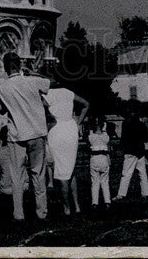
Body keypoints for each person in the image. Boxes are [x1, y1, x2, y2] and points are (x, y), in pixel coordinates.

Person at [0, 51, 50, 223]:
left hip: (16, 134)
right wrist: (31, 72)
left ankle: (18, 213)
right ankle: (42, 212)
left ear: (5, 67)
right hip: (36, 132)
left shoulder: (3, 87)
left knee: (16, 175)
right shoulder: (32, 81)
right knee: (38, 173)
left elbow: (2, 109)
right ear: (20, 64)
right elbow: (51, 83)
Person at [43, 80, 88, 215]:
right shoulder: (68, 92)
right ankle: (77, 205)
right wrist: (78, 122)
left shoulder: (46, 94)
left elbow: (42, 110)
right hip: (71, 128)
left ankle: (66, 207)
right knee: (70, 169)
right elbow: (86, 104)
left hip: (57, 130)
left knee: (62, 170)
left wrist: (52, 116)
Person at [115, 103, 148, 201]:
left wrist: (121, 148)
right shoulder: (142, 125)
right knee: (142, 173)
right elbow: (146, 139)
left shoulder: (126, 123)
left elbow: (124, 138)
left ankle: (121, 194)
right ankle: (145, 193)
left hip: (130, 151)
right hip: (140, 150)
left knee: (126, 173)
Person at [87, 117, 111, 209]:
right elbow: (105, 136)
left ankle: (94, 203)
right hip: (104, 158)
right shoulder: (106, 137)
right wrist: (104, 127)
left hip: (94, 159)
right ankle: (107, 201)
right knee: (105, 181)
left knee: (95, 182)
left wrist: (90, 128)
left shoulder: (91, 137)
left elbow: (90, 134)